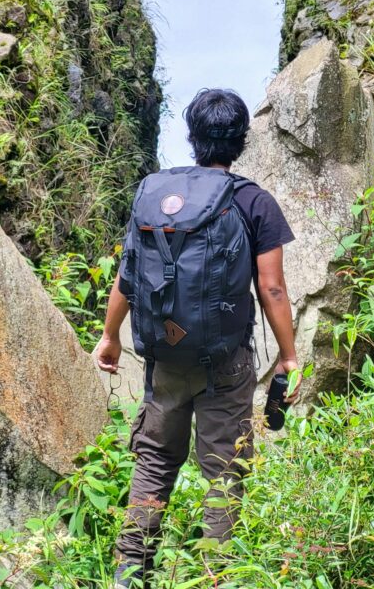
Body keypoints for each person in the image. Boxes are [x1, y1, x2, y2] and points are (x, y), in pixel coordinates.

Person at [96, 88, 299, 588]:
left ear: (191, 137)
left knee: (155, 461)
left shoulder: (153, 196)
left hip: (164, 359)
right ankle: (215, 575)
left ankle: (129, 571)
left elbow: (128, 273)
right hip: (224, 361)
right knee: (224, 468)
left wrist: (110, 336)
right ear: (241, 140)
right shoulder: (252, 200)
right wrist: (289, 356)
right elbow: (271, 286)